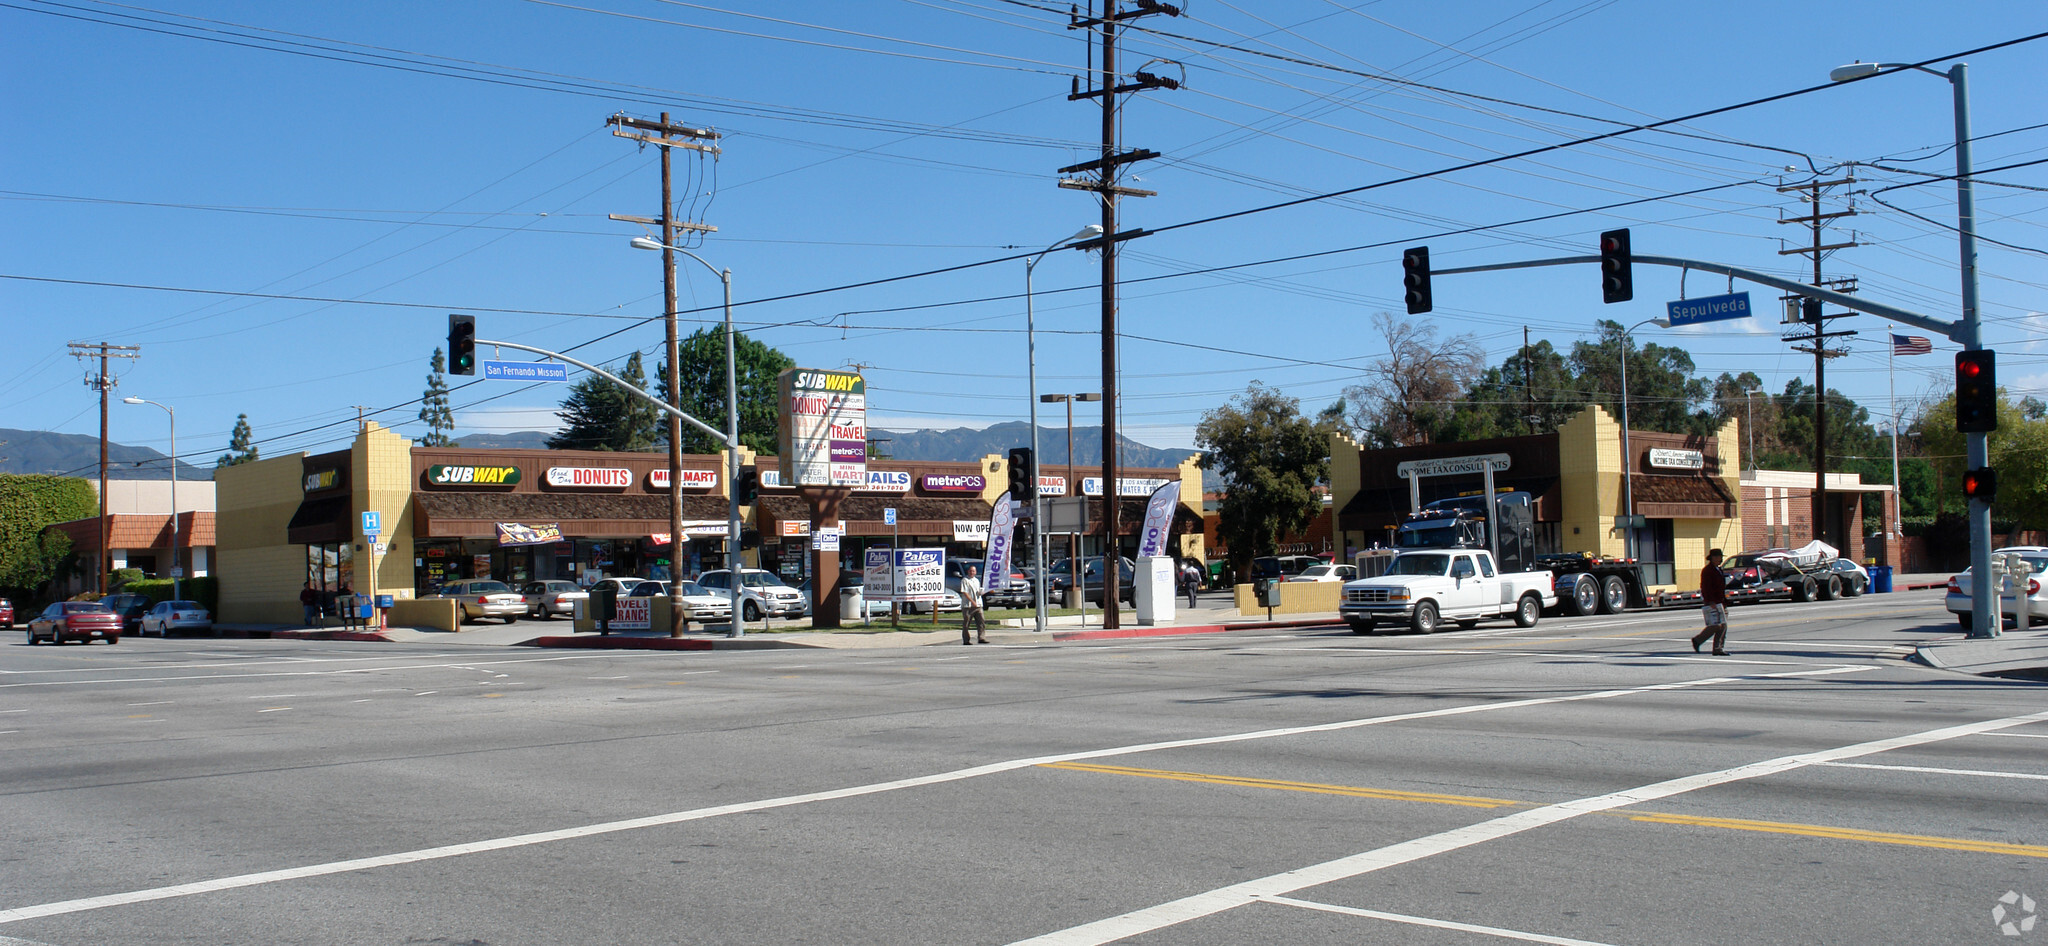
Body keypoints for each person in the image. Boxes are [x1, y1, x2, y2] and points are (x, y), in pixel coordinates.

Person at [1692, 548, 1730, 655]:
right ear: (1711, 558)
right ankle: (1698, 640)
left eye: (1720, 557)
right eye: (1716, 557)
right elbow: (1705, 587)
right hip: (1713, 602)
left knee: (1723, 625)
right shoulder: (1708, 570)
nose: (1719, 559)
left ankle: (1718, 648)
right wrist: (1710, 601)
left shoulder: (1719, 569)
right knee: (1716, 625)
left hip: (1721, 601)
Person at [958, 565, 987, 645]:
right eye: (970, 571)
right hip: (968, 606)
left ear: (976, 572)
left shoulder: (976, 580)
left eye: (973, 571)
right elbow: (964, 592)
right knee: (967, 623)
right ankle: (966, 640)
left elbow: (978, 592)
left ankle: (981, 638)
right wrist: (972, 601)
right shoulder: (965, 580)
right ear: (968, 571)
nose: (972, 572)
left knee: (981, 622)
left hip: (978, 605)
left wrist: (982, 592)